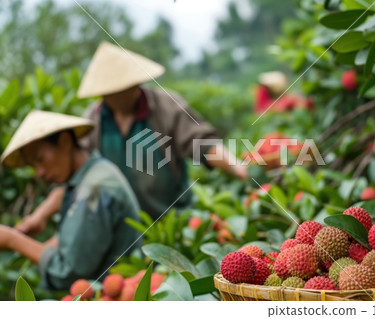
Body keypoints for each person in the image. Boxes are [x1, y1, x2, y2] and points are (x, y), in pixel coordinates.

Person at [16, 42, 248, 235]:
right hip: (121, 232)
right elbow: (76, 175)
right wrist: (39, 216)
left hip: (175, 224)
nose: (115, 95)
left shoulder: (167, 106)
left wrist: (237, 168)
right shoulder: (93, 122)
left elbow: (202, 144)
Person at [0, 110, 142, 290]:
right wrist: (40, 217)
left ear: (65, 141)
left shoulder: (94, 190)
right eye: (33, 166)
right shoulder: (95, 173)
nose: (39, 172)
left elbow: (68, 274)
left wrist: (12, 240)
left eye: (40, 159)